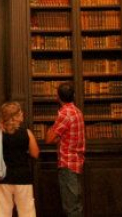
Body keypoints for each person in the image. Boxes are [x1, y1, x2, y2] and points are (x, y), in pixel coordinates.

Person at [0, 101, 40, 216]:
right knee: (27, 211)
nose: (22, 113)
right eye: (20, 112)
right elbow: (35, 153)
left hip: (2, 177)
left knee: (2, 211)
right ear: (14, 117)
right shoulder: (26, 133)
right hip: (22, 176)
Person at [45, 83, 85, 217]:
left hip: (67, 164)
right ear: (74, 95)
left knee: (70, 207)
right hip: (77, 162)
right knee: (76, 205)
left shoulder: (64, 114)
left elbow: (49, 139)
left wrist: (52, 127)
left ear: (58, 97)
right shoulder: (78, 111)